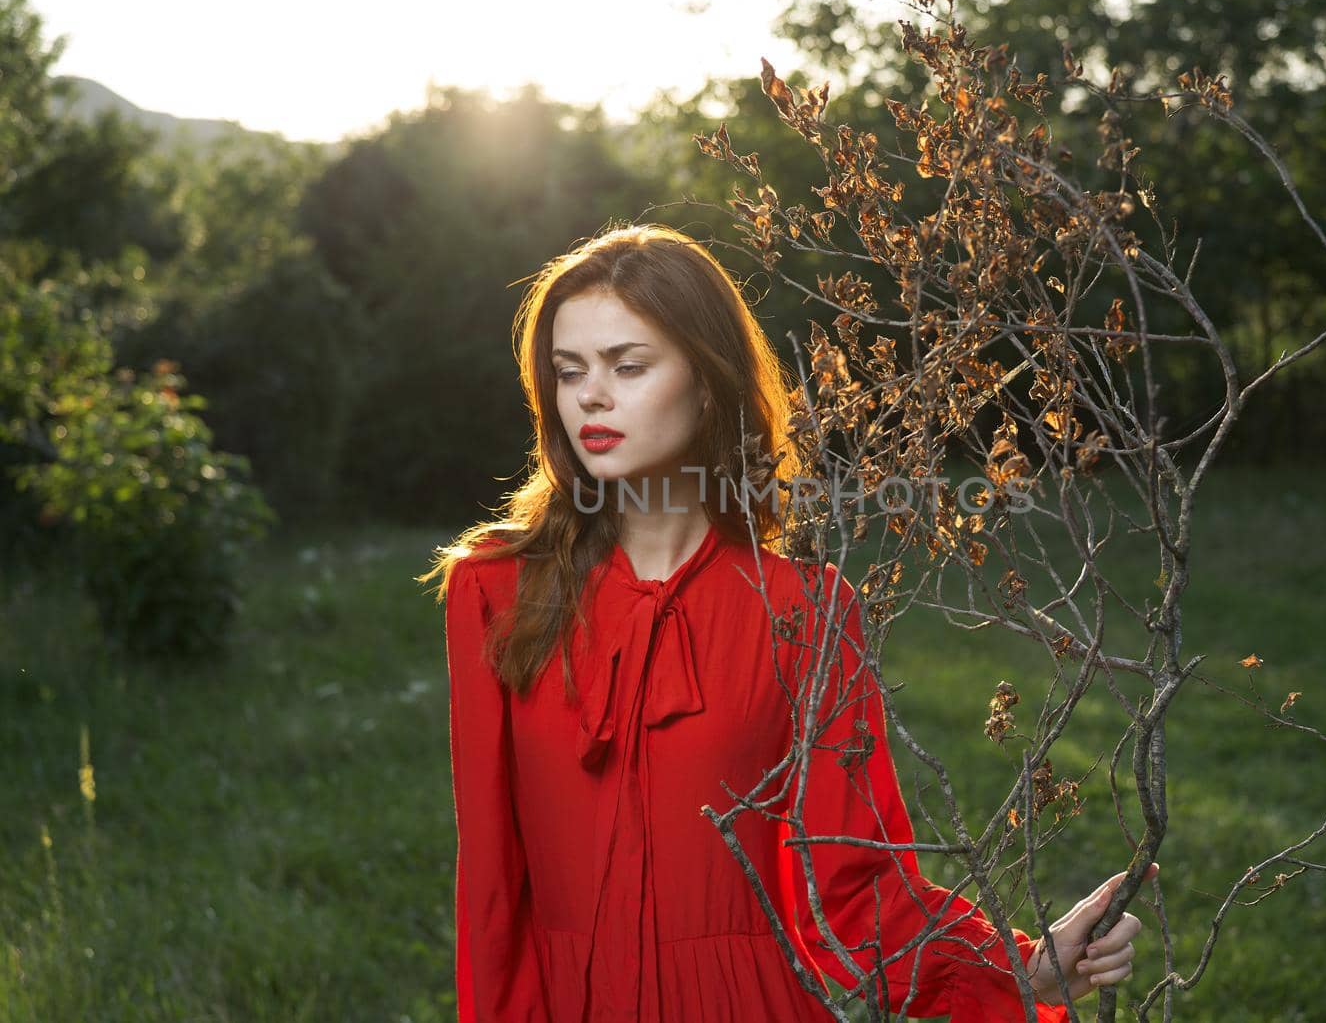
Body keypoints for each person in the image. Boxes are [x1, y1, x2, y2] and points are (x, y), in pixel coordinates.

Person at [424, 223, 1152, 1022]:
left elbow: (851, 879)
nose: (590, 396)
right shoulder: (496, 589)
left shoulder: (805, 608)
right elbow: (491, 886)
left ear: (707, 384)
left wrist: (1024, 969)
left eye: (628, 367)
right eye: (569, 373)